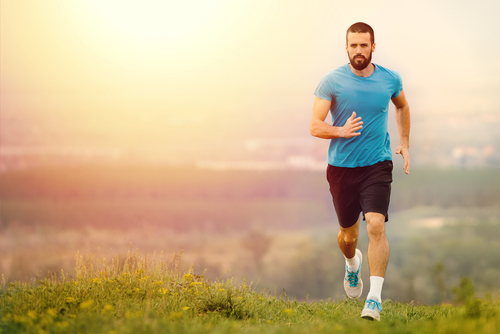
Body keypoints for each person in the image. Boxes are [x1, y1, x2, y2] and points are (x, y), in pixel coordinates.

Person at [309, 22, 411, 321]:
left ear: (373, 47)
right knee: (348, 235)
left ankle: (375, 299)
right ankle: (352, 264)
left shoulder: (390, 79)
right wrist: (340, 131)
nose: (358, 50)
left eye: (363, 45)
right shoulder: (332, 81)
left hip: (377, 165)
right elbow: (315, 125)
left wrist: (404, 141)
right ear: (346, 47)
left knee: (376, 225)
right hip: (341, 169)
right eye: (353, 45)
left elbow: (402, 107)